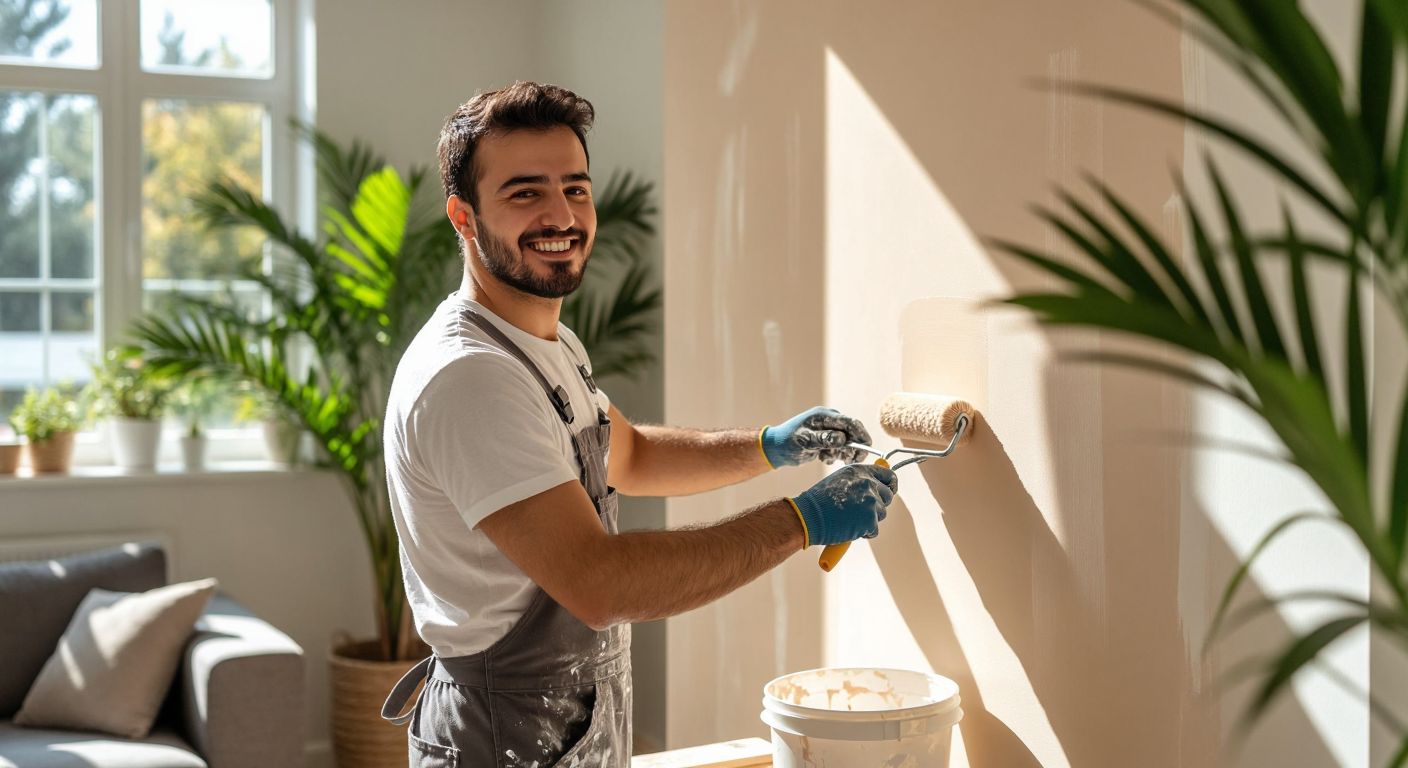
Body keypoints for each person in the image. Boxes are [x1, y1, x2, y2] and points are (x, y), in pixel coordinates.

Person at [379, 81, 899, 767]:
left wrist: (772, 446)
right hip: (500, 737)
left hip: (567, 724)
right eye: (525, 193)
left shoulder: (546, 344)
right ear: (463, 216)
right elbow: (601, 584)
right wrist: (802, 522)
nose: (561, 215)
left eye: (575, 188)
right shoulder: (470, 377)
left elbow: (627, 456)